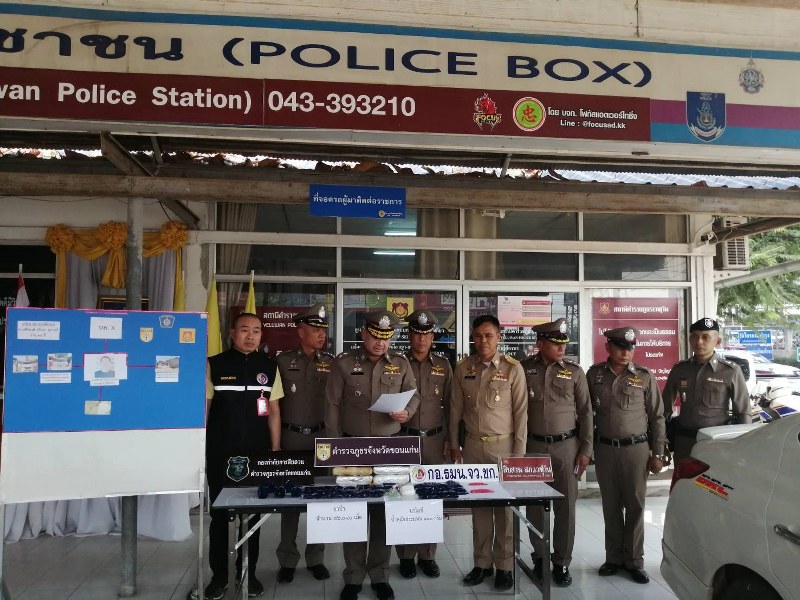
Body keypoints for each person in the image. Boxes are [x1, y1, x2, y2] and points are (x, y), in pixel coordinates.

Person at [325, 310, 420, 600]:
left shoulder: (401, 363)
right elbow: (332, 405)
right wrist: (335, 448)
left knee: (384, 511)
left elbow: (414, 394)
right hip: (353, 449)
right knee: (353, 511)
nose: (381, 343)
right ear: (364, 334)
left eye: (386, 337)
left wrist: (407, 412)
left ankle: (379, 575)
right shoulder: (344, 362)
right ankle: (353, 576)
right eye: (376, 336)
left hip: (388, 448)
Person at [203, 312, 283, 600]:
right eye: (245, 330)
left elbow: (273, 412)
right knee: (219, 517)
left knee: (252, 516)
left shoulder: (269, 366)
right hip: (220, 451)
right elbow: (205, 408)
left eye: (257, 331)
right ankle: (219, 577)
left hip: (257, 453)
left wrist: (275, 451)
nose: (251, 336)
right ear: (232, 332)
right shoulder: (214, 364)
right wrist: (199, 446)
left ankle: (248, 573)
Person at [450, 314, 527, 591]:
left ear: (498, 337)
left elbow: (521, 414)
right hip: (473, 447)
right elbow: (455, 410)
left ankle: (504, 566)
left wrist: (518, 454)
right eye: (478, 336)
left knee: (504, 511)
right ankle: (482, 563)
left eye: (488, 335)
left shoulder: (512, 368)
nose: (483, 340)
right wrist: (454, 443)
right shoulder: (464, 368)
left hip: (503, 447)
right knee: (480, 507)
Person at [586, 327, 668, 585]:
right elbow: (585, 413)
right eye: (621, 347)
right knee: (610, 505)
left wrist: (658, 453)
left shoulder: (644, 376)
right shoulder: (594, 374)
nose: (626, 352)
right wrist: (586, 448)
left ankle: (634, 560)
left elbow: (657, 417)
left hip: (636, 450)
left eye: (630, 347)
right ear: (608, 347)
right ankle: (613, 558)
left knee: (635, 506)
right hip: (605, 449)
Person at [520, 318, 592, 587]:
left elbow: (586, 412)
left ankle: (561, 561)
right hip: (533, 447)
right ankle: (540, 557)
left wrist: (586, 449)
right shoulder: (523, 369)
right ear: (540, 344)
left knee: (566, 508)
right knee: (534, 506)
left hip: (566, 448)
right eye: (555, 343)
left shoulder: (574, 372)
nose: (562, 348)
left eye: (564, 343)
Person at [274, 304, 333, 584]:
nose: (321, 335)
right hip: (292, 438)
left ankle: (316, 557)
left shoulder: (332, 363)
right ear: (300, 332)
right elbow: (273, 404)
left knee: (320, 500)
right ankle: (287, 558)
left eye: (323, 330)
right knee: (290, 501)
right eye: (315, 330)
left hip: (322, 440)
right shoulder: (282, 361)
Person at [395, 310, 452, 580]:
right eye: (416, 333)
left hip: (434, 440)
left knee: (432, 499)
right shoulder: (396, 363)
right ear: (409, 335)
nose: (421, 339)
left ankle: (428, 555)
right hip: (403, 439)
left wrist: (451, 440)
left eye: (426, 334)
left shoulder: (443, 365)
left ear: (432, 337)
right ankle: (406, 556)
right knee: (404, 497)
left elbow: (451, 406)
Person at [662, 318, 751, 463]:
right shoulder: (680, 369)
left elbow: (743, 412)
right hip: (684, 442)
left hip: (716, 443)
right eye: (695, 336)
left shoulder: (730, 371)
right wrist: (661, 443)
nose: (699, 342)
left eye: (705, 337)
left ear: (717, 341)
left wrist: (742, 447)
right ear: (689, 339)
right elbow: (664, 409)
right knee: (683, 477)